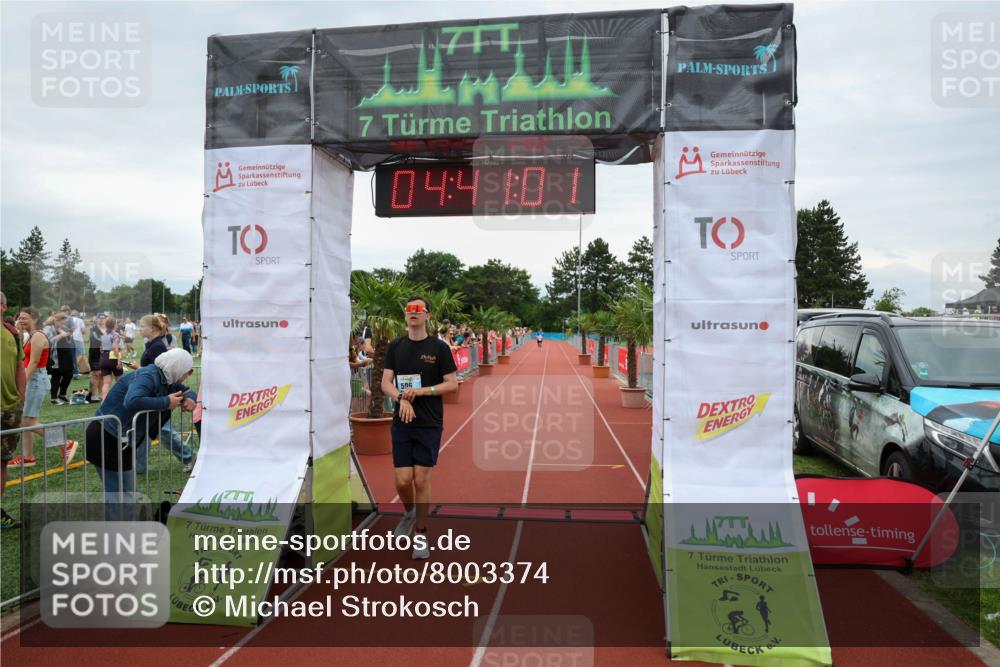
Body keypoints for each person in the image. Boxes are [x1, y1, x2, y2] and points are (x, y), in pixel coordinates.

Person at [380, 296, 458, 559]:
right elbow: (386, 383)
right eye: (409, 310)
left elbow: (452, 384)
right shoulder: (395, 346)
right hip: (402, 421)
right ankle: (409, 513)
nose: (413, 313)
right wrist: (401, 397)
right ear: (405, 316)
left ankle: (421, 535)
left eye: (418, 309)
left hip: (429, 422)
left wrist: (422, 392)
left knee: (421, 479)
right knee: (403, 480)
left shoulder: (439, 348)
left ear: (427, 315)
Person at [87, 349, 197, 512]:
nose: (186, 376)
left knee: (129, 494)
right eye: (186, 372)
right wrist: (166, 401)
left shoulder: (166, 378)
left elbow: (188, 390)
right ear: (177, 368)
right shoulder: (148, 375)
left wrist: (190, 399)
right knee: (117, 496)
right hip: (106, 437)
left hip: (122, 440)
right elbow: (132, 400)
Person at [135, 314, 195, 472]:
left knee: (163, 430)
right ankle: (138, 467)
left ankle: (190, 457)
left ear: (152, 328)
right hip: (151, 394)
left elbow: (163, 374)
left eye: (142, 326)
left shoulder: (157, 347)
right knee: (143, 430)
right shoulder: (151, 344)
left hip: (158, 396)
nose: (139, 329)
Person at [8, 307, 53, 469]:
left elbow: (33, 363)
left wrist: (21, 384)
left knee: (28, 420)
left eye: (25, 318)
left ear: (34, 319)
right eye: (19, 318)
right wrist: (19, 334)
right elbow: (21, 355)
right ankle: (28, 458)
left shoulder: (38, 336)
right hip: (33, 379)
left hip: (35, 380)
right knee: (25, 420)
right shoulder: (31, 336)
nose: (21, 320)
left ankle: (64, 441)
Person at [1, 292, 26, 528]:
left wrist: (20, 398)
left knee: (2, 461)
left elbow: (20, 366)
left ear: (3, 306)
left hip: (8, 409)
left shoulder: (11, 332)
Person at [43, 311, 74, 404]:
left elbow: (68, 340)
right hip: (56, 355)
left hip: (65, 354)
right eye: (62, 322)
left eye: (64, 322)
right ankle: (53, 397)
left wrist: (69, 333)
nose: (63, 324)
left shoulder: (63, 328)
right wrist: (61, 335)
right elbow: (49, 341)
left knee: (69, 374)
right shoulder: (48, 328)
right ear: (56, 320)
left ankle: (62, 394)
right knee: (56, 375)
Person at [99, 316, 124, 398]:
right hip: (113, 358)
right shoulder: (115, 334)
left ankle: (104, 402)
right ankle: (120, 399)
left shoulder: (103, 334)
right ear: (115, 325)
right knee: (120, 381)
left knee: (106, 383)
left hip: (104, 358)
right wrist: (119, 360)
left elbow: (101, 349)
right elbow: (114, 347)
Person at [86, 314, 106, 403]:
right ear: (96, 319)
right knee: (95, 374)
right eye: (100, 318)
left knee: (102, 374)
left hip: (105, 354)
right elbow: (96, 339)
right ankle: (93, 395)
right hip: (95, 354)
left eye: (103, 318)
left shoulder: (108, 329)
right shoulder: (93, 329)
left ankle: (101, 394)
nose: (101, 320)